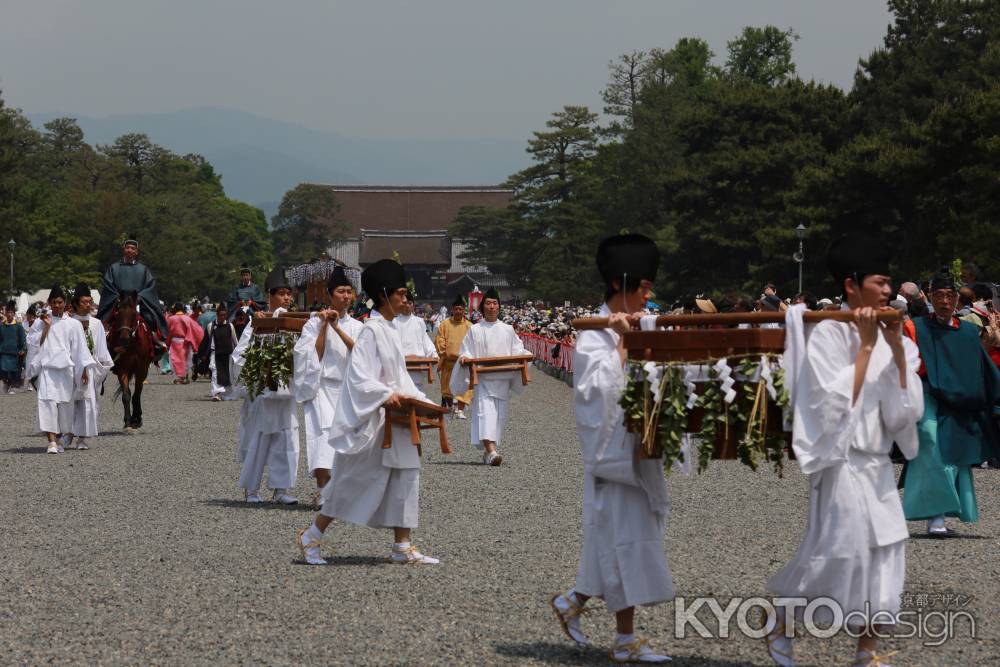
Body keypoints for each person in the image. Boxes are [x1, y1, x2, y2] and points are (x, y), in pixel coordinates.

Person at [765, 234, 923, 667]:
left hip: (875, 463)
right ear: (852, 284)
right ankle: (782, 624)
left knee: (887, 550)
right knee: (837, 550)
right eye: (881, 281)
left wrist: (890, 345)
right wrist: (867, 345)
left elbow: (905, 411)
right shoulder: (828, 332)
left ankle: (866, 651)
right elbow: (826, 404)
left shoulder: (901, 339)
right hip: (841, 460)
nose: (888, 290)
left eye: (890, 283)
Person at [550, 234, 674, 664]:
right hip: (612, 454)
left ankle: (574, 602)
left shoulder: (639, 322)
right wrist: (623, 344)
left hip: (637, 447)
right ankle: (624, 639)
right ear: (624, 283)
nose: (648, 296)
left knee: (619, 537)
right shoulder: (593, 331)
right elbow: (595, 392)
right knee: (625, 540)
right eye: (644, 288)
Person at [296, 259, 440, 566]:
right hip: (375, 420)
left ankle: (402, 545)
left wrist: (424, 403)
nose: (406, 298)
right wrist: (387, 396)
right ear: (385, 294)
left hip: (398, 418)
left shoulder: (388, 330)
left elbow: (397, 378)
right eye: (401, 293)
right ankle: (312, 535)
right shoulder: (372, 330)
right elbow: (360, 378)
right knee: (351, 481)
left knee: (406, 476)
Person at [900, 269, 1000, 535]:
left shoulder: (968, 332)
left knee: (956, 455)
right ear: (931, 297)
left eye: (949, 296)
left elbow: (984, 369)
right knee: (930, 440)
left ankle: (940, 515)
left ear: (957, 299)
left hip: (961, 400)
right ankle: (935, 517)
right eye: (939, 296)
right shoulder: (915, 327)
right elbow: (905, 363)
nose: (944, 302)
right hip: (928, 396)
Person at [292, 266, 364, 502]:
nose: (345, 296)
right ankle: (323, 490)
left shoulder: (358, 326)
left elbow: (362, 354)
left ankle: (342, 489)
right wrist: (324, 325)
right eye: (340, 291)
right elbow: (312, 356)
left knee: (347, 439)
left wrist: (336, 327)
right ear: (330, 295)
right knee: (322, 438)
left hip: (346, 389)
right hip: (321, 388)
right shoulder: (313, 324)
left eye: (348, 291)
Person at [230, 266, 299, 505]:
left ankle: (281, 489)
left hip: (287, 390)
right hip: (263, 389)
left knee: (286, 439)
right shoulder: (256, 322)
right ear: (269, 296)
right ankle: (251, 489)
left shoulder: (296, 323)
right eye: (281, 293)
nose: (286, 298)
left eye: (289, 294)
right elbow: (240, 355)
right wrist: (259, 369)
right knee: (259, 438)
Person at [450, 288, 530, 466]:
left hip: (502, 379)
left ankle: (488, 452)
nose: (492, 306)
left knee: (498, 417)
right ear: (482, 307)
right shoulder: (475, 330)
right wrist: (466, 358)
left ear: (499, 307)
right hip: (484, 380)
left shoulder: (508, 329)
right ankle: (492, 451)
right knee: (485, 414)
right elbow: (467, 350)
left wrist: (525, 354)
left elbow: (517, 350)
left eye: (495, 303)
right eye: (488, 303)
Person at [26, 286, 97, 454]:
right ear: (49, 303)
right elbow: (33, 344)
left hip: (66, 370)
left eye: (60, 302)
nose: (57, 305)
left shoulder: (73, 324)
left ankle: (61, 437)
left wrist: (84, 370)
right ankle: (51, 441)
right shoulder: (40, 322)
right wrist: (47, 327)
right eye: (54, 302)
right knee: (47, 403)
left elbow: (80, 350)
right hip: (47, 370)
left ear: (65, 304)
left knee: (65, 406)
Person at [67, 283, 114, 450]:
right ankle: (68, 432)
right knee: (70, 402)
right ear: (76, 304)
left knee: (88, 403)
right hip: (71, 367)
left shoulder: (96, 323)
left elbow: (101, 349)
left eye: (90, 301)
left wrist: (100, 369)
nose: (89, 305)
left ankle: (83, 437)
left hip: (91, 368)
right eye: (85, 302)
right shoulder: (69, 323)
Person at [97, 238, 168, 346]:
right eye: (127, 247)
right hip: (119, 303)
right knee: (103, 323)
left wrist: (140, 297)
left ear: (136, 252)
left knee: (151, 319)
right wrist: (118, 297)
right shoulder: (114, 268)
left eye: (132, 248)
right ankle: (100, 344)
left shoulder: (143, 270)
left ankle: (156, 343)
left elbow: (150, 286)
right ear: (124, 249)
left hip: (138, 303)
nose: (129, 250)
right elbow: (108, 286)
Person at [435, 295, 473, 417]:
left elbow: (473, 342)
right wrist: (444, 351)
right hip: (448, 361)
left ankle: (460, 409)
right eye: (456, 309)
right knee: (447, 386)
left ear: (463, 310)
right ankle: (451, 407)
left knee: (465, 385)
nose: (458, 311)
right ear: (452, 310)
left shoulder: (470, 326)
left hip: (463, 362)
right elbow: (440, 339)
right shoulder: (444, 324)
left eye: (460, 309)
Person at [393, 292, 438, 393]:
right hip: (400, 366)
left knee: (418, 400)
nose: (407, 306)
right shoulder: (394, 322)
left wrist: (433, 354)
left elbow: (425, 341)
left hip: (417, 367)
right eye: (404, 303)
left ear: (413, 304)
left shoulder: (419, 322)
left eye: (410, 303)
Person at [198, 304, 239, 401]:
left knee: (228, 373)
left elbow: (235, 341)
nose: (222, 317)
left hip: (228, 354)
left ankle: (226, 393)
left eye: (224, 315)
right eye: (221, 315)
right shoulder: (211, 326)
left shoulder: (230, 326)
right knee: (215, 373)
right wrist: (203, 354)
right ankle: (216, 393)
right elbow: (206, 340)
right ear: (217, 315)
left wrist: (238, 352)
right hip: (215, 353)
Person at [166, 303, 204, 385]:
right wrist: (194, 342)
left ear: (175, 309)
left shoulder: (171, 319)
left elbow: (168, 332)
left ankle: (178, 377)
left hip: (174, 341)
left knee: (175, 360)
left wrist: (167, 342)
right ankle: (184, 376)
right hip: (186, 341)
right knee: (185, 360)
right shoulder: (188, 319)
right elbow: (197, 330)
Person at [1, 300, 27, 393]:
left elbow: (23, 339)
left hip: (15, 353)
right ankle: (6, 384)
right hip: (3, 352)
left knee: (14, 371)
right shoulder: (2, 326)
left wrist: (23, 349)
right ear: (5, 313)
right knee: (3, 370)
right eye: (7, 312)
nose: (9, 314)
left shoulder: (18, 326)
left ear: (14, 314)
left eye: (11, 312)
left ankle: (12, 385)